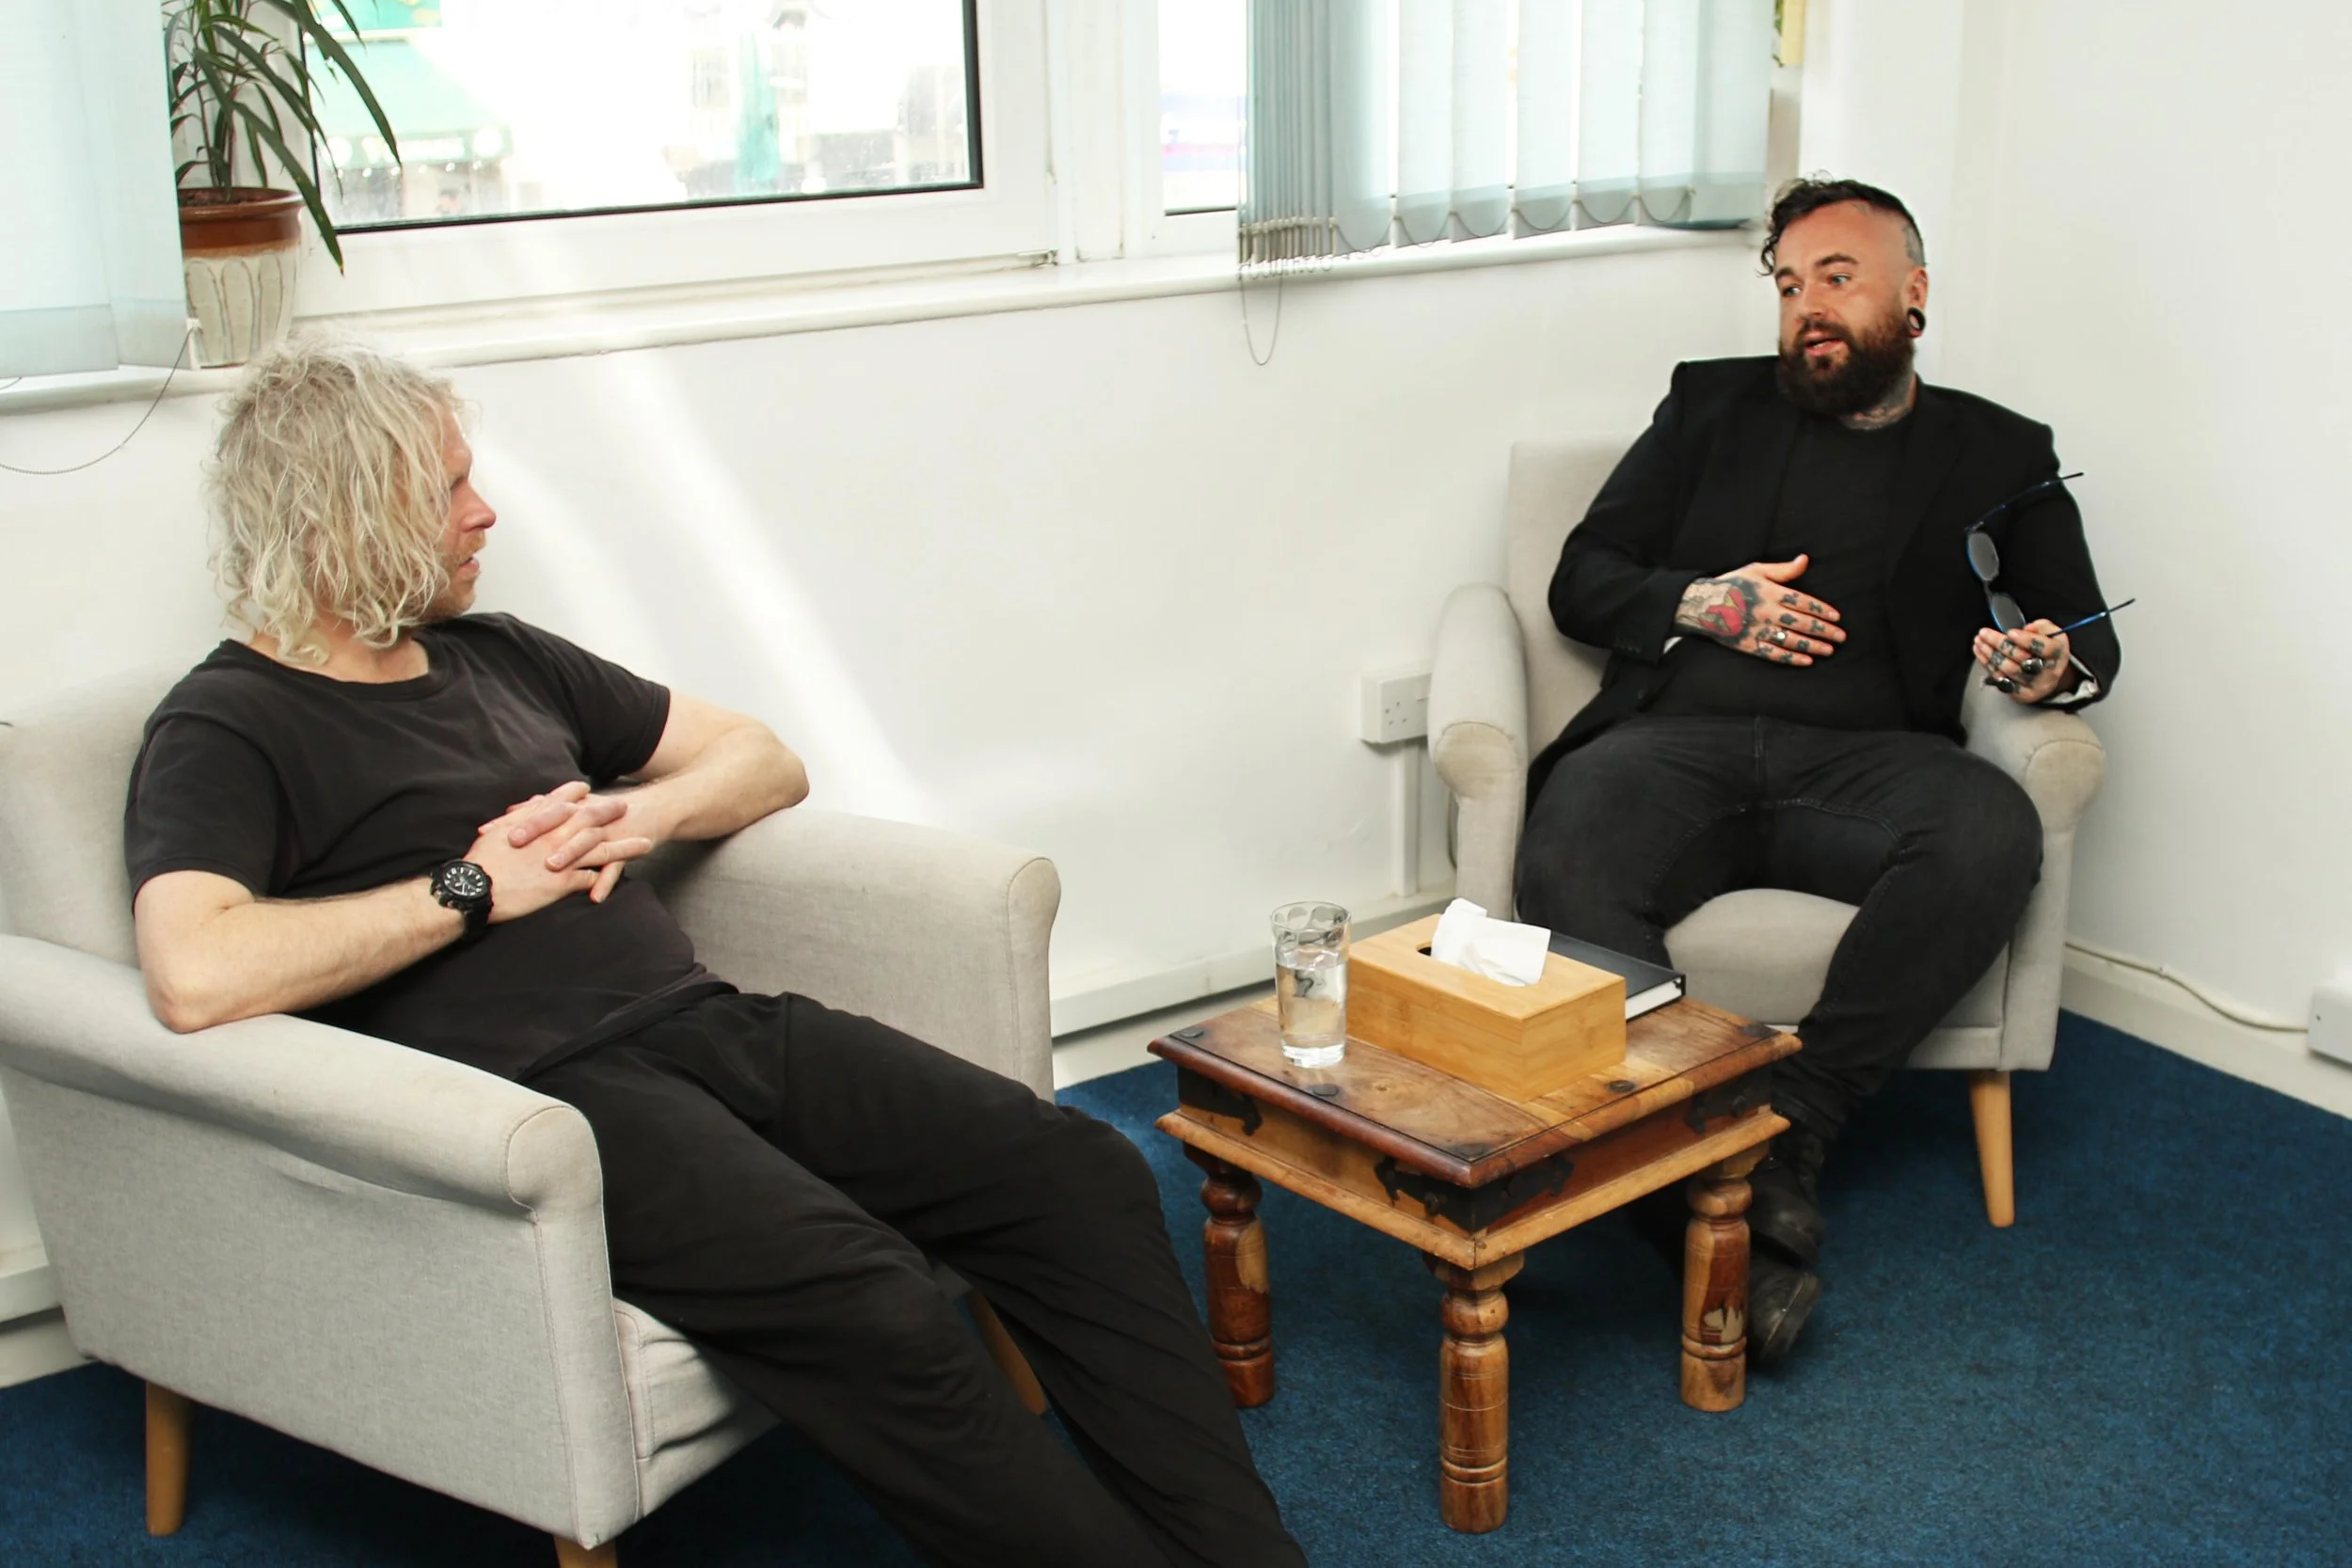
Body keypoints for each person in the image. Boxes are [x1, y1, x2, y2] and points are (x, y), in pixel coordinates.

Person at [122, 338, 1304, 1568]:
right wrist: (479, 885)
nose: (485, 511)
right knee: (877, 1306)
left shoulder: (500, 654)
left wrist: (635, 815)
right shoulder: (230, 722)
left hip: (704, 1022)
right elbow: (194, 969)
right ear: (348, 513)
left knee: (1080, 1172)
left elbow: (760, 754)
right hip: (549, 1104)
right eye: (447, 489)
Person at [1515, 178, 2122, 1363]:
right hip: (1672, 741)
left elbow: (2084, 632)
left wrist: (2047, 663)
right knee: (1567, 844)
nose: (1806, 310)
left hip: (1870, 762)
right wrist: (1707, 601)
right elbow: (1581, 577)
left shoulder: (2000, 449)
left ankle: (1792, 1123)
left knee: (1995, 833)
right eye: (1789, 286)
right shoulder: (1707, 406)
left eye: (1835, 277)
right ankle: (1705, 1173)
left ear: (1915, 293)